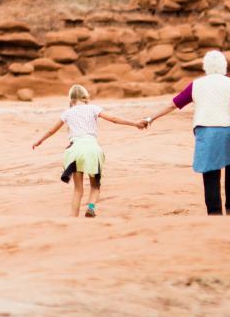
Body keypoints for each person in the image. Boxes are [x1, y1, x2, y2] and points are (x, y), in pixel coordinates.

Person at [143, 49, 230, 215]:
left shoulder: (196, 84)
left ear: (205, 66)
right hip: (228, 131)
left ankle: (214, 213)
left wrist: (151, 118)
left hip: (206, 132)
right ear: (224, 66)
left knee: (210, 172)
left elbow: (173, 104)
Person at [32, 83, 146, 217]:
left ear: (71, 99)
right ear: (85, 96)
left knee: (78, 190)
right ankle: (91, 207)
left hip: (75, 150)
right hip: (92, 149)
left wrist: (39, 140)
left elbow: (52, 130)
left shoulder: (67, 113)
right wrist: (135, 123)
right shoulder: (93, 108)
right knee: (95, 186)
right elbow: (114, 119)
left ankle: (73, 217)